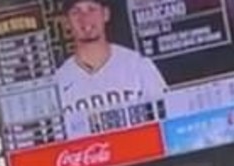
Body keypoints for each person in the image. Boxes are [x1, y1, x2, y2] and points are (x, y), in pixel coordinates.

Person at [55, 0, 167, 136]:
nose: (84, 18)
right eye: (75, 12)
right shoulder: (58, 81)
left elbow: (167, 120)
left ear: (106, 14)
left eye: (92, 9)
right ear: (67, 22)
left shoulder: (137, 65)